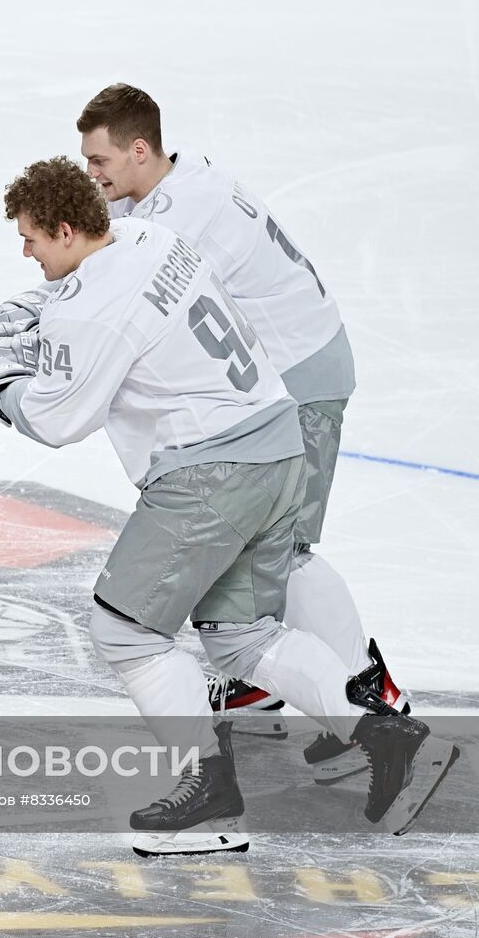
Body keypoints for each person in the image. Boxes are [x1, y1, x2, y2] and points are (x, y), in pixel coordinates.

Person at [0, 156, 457, 855]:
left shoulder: (95, 309)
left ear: (67, 229)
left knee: (125, 631)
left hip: (211, 473)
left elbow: (60, 418)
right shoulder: (149, 239)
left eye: (32, 238)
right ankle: (379, 728)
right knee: (242, 636)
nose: (25, 251)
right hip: (277, 446)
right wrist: (33, 314)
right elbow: (97, 307)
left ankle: (207, 793)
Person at [71, 84, 408, 781]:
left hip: (301, 376)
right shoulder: (181, 180)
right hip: (298, 365)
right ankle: (268, 683)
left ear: (140, 150)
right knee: (259, 545)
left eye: (100, 160)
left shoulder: (177, 218)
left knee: (286, 549)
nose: (92, 175)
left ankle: (373, 694)